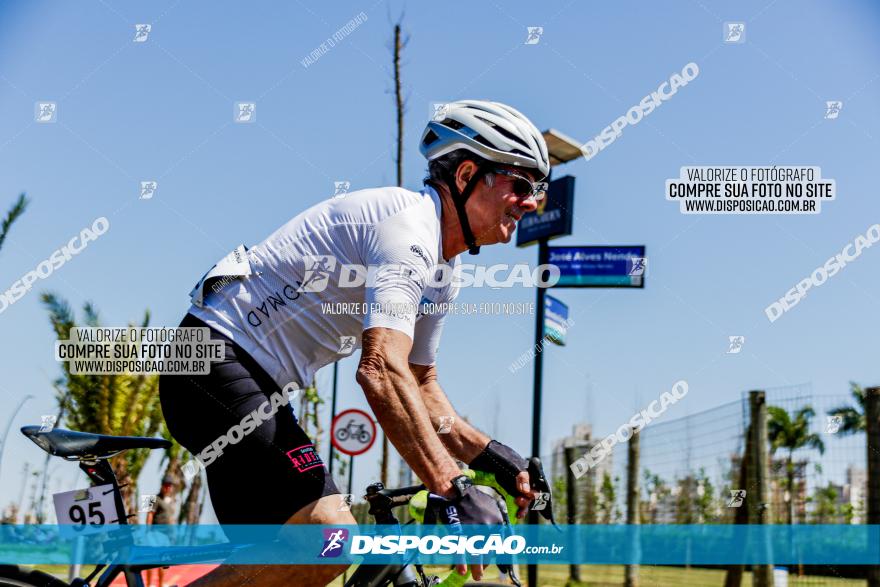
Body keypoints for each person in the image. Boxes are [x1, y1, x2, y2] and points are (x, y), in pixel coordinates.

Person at [159, 99, 551, 586]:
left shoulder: (442, 269)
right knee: (329, 539)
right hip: (214, 359)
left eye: (538, 188)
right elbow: (381, 370)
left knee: (295, 562)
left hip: (245, 377)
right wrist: (451, 487)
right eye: (521, 184)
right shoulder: (409, 231)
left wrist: (488, 453)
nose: (532, 201)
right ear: (468, 173)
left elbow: (419, 382)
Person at [144, 476, 177, 587]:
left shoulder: (172, 501)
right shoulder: (154, 498)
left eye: (170, 486)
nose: (168, 488)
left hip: (167, 537)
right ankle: (148, 585)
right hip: (155, 534)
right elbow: (149, 515)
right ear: (162, 485)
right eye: (166, 485)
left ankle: (160, 585)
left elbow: (171, 518)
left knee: (164, 562)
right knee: (152, 561)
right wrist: (147, 532)